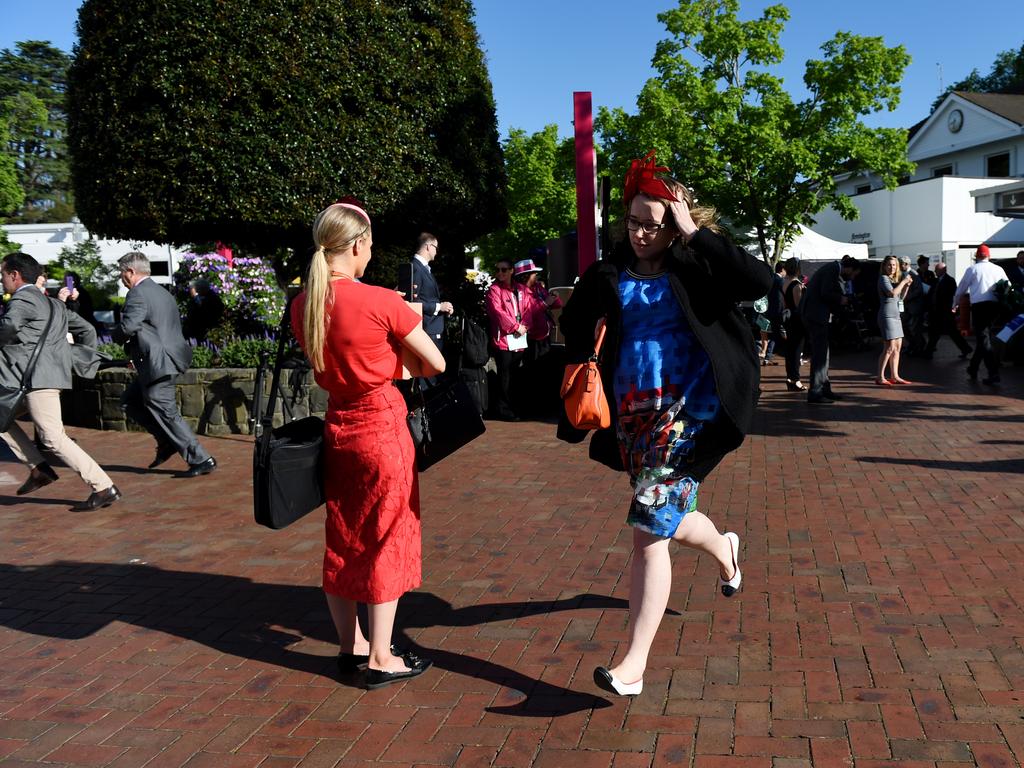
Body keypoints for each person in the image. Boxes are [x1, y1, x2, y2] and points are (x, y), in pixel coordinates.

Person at [557, 151, 772, 697]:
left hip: (690, 415)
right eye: (632, 223)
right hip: (634, 418)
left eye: (653, 225)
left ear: (673, 222)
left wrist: (693, 234)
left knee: (648, 533)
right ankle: (725, 549)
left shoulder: (695, 264)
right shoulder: (607, 272)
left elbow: (760, 282)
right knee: (670, 515)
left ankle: (633, 666)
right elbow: (575, 328)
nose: (640, 234)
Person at [290, 200, 445, 690]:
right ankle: (382, 655)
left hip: (338, 426)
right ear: (357, 244)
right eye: (370, 245)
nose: (371, 254)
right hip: (380, 426)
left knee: (345, 535)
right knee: (385, 537)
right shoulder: (381, 301)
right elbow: (434, 364)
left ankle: (351, 645)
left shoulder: (303, 303)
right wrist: (392, 362)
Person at [0, 252, 120, 510]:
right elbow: (86, 329)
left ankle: (103, 486)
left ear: (15, 275)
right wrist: (78, 359)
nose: (2, 281)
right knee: (1, 418)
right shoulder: (54, 304)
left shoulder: (22, 299)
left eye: (2, 275)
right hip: (46, 377)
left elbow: (7, 329)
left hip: (36, 380)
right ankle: (38, 469)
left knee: (53, 438)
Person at [113, 252, 216, 475]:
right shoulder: (162, 292)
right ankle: (167, 440)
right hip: (162, 359)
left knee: (165, 410)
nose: (121, 278)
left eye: (121, 273)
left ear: (130, 272)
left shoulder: (137, 294)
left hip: (159, 362)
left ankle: (201, 458)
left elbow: (128, 327)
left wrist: (115, 334)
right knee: (130, 401)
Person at [800, 255, 861, 404]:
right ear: (849, 268)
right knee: (820, 355)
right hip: (816, 316)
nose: (852, 278)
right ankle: (815, 392)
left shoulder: (832, 269)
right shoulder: (833, 269)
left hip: (816, 315)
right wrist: (843, 299)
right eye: (853, 274)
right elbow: (825, 293)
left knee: (823, 355)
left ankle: (824, 389)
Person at [485, 257, 538, 421]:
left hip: (520, 339)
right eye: (498, 270)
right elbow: (497, 312)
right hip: (503, 340)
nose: (500, 273)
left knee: (515, 374)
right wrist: (516, 327)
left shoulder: (521, 289)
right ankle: (503, 409)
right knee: (504, 375)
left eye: (503, 269)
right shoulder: (494, 290)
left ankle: (513, 406)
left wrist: (524, 327)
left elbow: (529, 309)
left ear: (511, 271)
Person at [953, 244, 1009, 385]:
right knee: (983, 339)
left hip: (980, 307)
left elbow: (961, 289)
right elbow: (1008, 286)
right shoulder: (998, 269)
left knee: (984, 339)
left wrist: (955, 303)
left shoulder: (972, 269)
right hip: (995, 306)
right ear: (988, 256)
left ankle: (993, 373)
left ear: (977, 256)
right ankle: (973, 368)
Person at [514, 257, 561, 416]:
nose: (536, 276)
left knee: (546, 370)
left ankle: (546, 403)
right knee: (534, 371)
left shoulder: (538, 289)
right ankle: (536, 406)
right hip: (532, 338)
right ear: (526, 275)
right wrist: (546, 303)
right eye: (534, 273)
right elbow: (529, 311)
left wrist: (553, 298)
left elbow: (556, 304)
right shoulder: (520, 291)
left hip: (545, 335)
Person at [397, 233, 453, 351]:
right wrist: (439, 307)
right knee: (432, 369)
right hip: (427, 330)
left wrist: (444, 307)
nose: (437, 252)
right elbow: (411, 302)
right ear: (428, 246)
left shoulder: (422, 268)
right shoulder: (415, 268)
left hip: (432, 328)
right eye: (436, 248)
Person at [876, 256, 914, 385]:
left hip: (896, 316)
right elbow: (892, 293)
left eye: (894, 265)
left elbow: (900, 297)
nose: (892, 267)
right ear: (884, 266)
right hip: (887, 316)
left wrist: (907, 286)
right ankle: (880, 377)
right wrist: (904, 282)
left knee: (897, 347)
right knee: (889, 347)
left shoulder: (893, 279)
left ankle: (895, 376)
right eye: (889, 265)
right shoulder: (884, 278)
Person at [923, 262, 971, 359]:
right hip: (935, 312)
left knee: (952, 332)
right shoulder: (935, 281)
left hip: (945, 312)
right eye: (935, 270)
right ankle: (928, 353)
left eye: (937, 270)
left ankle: (966, 349)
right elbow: (931, 294)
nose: (935, 271)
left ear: (943, 270)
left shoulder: (950, 281)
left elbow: (953, 295)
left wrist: (953, 308)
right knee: (934, 333)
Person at [781, 257, 805, 391]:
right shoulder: (796, 285)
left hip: (787, 320)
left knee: (789, 351)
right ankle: (795, 380)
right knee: (796, 351)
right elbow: (798, 307)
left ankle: (790, 378)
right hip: (796, 322)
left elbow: (785, 304)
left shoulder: (783, 282)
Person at [899, 256, 927, 356]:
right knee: (904, 326)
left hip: (915, 306)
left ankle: (918, 347)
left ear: (906, 264)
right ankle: (913, 345)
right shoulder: (902, 274)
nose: (898, 266)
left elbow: (918, 291)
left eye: (900, 264)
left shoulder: (914, 274)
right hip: (906, 306)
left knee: (915, 328)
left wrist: (906, 297)